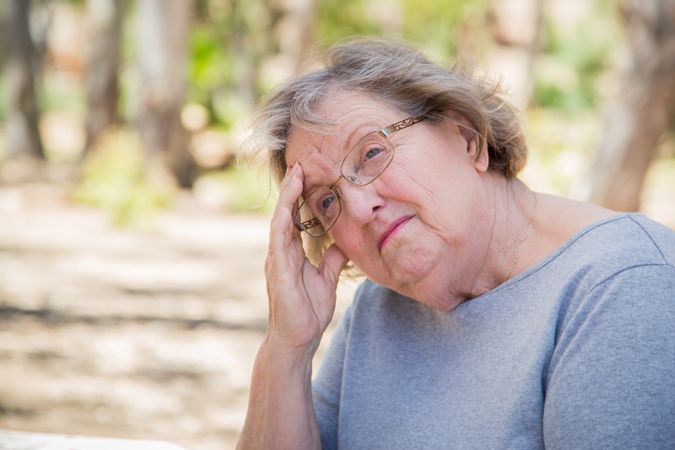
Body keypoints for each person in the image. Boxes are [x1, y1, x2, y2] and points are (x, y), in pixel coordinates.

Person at [237, 38, 675, 449]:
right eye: (327, 201)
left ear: (466, 137)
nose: (358, 207)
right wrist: (287, 348)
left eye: (371, 152)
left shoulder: (623, 287)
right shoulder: (380, 308)